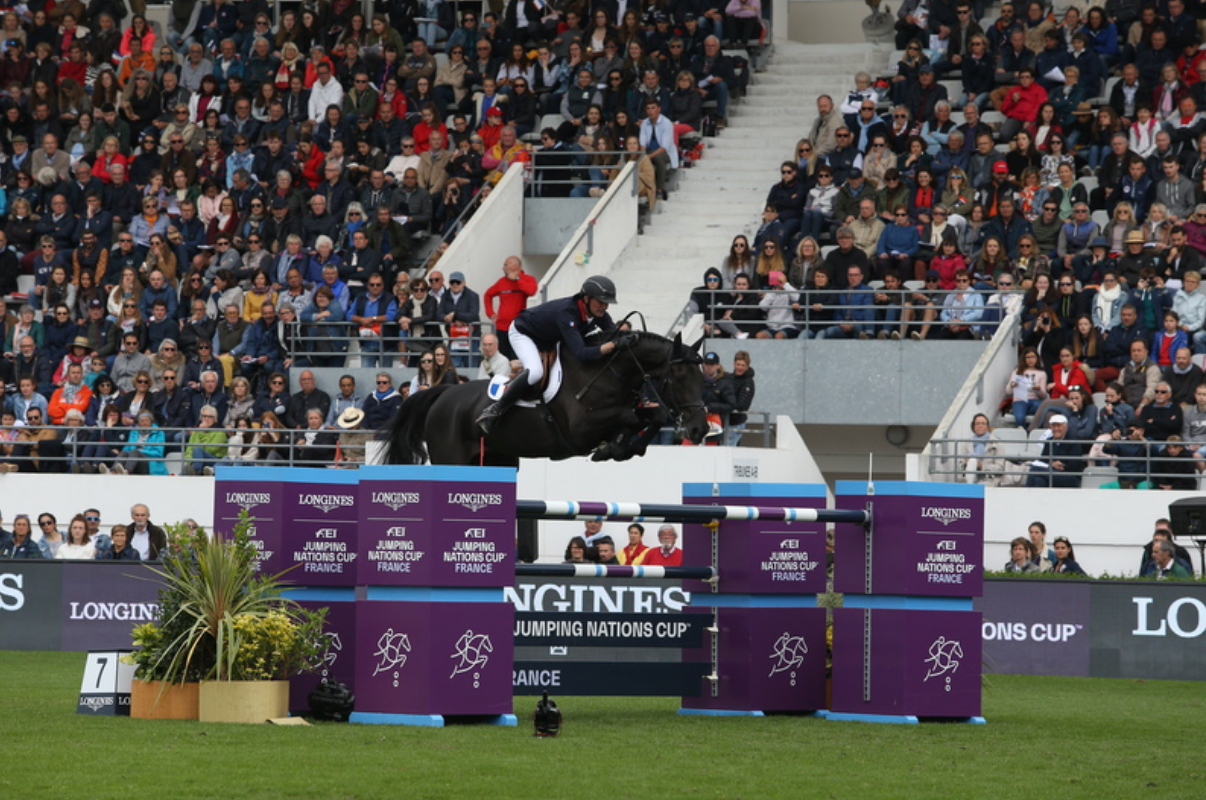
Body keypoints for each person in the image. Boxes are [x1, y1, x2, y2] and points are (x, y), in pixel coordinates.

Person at [477, 275, 630, 434]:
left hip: (550, 337)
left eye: (606, 303)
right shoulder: (568, 313)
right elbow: (581, 353)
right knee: (536, 372)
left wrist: (632, 338)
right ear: (586, 298)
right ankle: (495, 410)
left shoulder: (599, 314)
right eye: (600, 302)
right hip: (524, 333)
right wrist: (611, 346)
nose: (604, 307)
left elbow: (614, 334)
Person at [483, 255, 537, 359]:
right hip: (502, 328)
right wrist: (490, 313)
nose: (503, 268)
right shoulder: (502, 282)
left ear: (515, 267)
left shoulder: (528, 279)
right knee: (503, 358)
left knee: (516, 358)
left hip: (518, 327)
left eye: (505, 265)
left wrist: (517, 279)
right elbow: (488, 295)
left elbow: (531, 291)